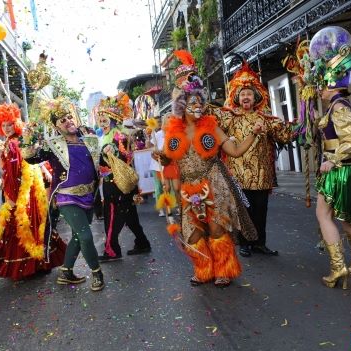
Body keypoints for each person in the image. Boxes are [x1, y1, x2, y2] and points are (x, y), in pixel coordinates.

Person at [159, 50, 261, 287]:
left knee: (217, 229)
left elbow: (234, 151)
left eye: (199, 102)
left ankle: (223, 269)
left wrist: (253, 134)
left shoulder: (212, 127)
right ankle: (203, 269)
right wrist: (163, 160)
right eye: (191, 102)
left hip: (213, 183)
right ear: (182, 106)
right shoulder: (173, 131)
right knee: (192, 233)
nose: (196, 106)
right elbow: (168, 159)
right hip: (187, 187)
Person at [309, 26, 351, 289]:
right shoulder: (336, 107)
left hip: (341, 170)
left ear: (330, 83)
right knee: (347, 219)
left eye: (321, 84)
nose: (319, 89)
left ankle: (339, 268)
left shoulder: (338, 106)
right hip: (346, 169)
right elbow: (335, 133)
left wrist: (332, 159)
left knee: (324, 215)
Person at [23, 98, 105, 291]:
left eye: (69, 117)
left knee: (78, 236)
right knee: (85, 236)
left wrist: (112, 151)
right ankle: (97, 273)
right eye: (62, 120)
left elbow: (101, 162)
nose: (68, 121)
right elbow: (31, 159)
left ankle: (66, 271)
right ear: (56, 127)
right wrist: (28, 140)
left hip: (89, 196)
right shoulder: (52, 145)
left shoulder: (90, 141)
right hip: (66, 198)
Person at [219, 60, 296, 257]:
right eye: (243, 94)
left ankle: (260, 243)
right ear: (237, 97)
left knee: (261, 211)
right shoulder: (229, 118)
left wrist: (301, 123)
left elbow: (284, 135)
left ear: (255, 97)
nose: (246, 97)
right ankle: (244, 243)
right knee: (244, 211)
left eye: (249, 94)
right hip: (238, 176)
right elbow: (212, 128)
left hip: (262, 176)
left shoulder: (266, 118)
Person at [0, 103, 66, 280]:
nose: (6, 128)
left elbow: (14, 171)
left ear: (16, 124)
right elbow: (5, 169)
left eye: (9, 124)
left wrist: (11, 197)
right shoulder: (11, 141)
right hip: (25, 188)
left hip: (22, 190)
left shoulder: (14, 142)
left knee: (24, 224)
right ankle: (38, 262)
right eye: (3, 125)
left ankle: (31, 264)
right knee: (32, 224)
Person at [96, 93, 152, 262]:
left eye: (105, 120)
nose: (102, 123)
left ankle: (112, 250)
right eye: (100, 120)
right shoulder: (109, 136)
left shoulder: (118, 136)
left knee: (112, 215)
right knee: (129, 214)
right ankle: (142, 243)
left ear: (113, 120)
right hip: (118, 183)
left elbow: (121, 159)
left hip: (116, 183)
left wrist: (103, 155)